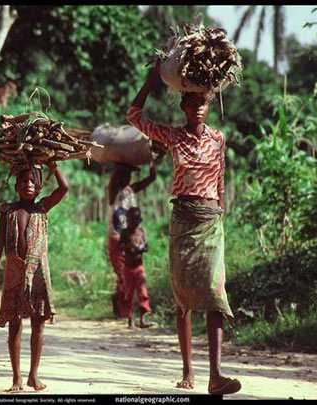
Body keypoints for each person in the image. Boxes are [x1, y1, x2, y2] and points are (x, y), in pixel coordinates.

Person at [126, 60, 242, 396]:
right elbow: (134, 117)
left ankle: (216, 375)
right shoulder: (173, 136)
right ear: (183, 106)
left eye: (203, 103)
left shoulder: (218, 139)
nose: (198, 109)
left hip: (210, 220)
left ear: (209, 105)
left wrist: (220, 213)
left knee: (214, 293)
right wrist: (150, 80)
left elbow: (220, 179)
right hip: (183, 219)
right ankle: (189, 370)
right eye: (191, 103)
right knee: (184, 298)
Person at [0, 161, 68, 392]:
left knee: (38, 323)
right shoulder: (8, 211)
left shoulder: (42, 208)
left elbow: (64, 189)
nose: (28, 184)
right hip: (14, 272)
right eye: (23, 181)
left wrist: (53, 166)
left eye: (32, 181)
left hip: (39, 272)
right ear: (16, 185)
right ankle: (16, 378)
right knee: (14, 324)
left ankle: (33, 375)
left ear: (39, 186)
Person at [107, 161, 156, 318]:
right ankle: (123, 309)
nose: (126, 177)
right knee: (122, 273)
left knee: (129, 273)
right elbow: (113, 181)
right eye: (123, 174)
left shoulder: (131, 191)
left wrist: (152, 164)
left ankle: (124, 308)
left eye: (128, 174)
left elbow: (150, 179)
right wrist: (119, 166)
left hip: (131, 236)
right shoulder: (113, 191)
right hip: (116, 236)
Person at [118, 207, 153, 329]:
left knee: (143, 293)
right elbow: (120, 246)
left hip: (139, 267)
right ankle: (130, 320)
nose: (134, 222)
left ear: (139, 220)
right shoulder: (125, 232)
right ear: (128, 220)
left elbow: (147, 246)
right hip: (128, 267)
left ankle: (143, 319)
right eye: (131, 220)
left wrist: (142, 248)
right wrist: (129, 247)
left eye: (136, 220)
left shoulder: (141, 231)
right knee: (129, 294)